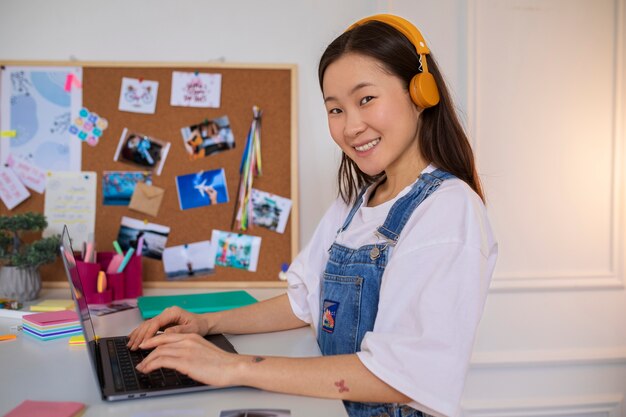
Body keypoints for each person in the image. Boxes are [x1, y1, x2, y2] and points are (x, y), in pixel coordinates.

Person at [127, 14, 497, 417]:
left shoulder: (448, 210)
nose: (351, 126)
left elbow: (398, 375)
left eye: (366, 99)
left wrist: (233, 367)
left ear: (420, 93)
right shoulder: (358, 200)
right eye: (335, 109)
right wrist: (206, 324)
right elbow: (304, 301)